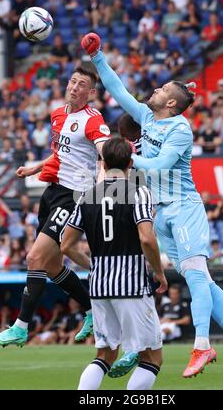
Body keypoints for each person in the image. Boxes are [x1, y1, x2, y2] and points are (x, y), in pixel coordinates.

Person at [81, 32, 223, 378]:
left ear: (172, 104)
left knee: (195, 279)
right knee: (203, 282)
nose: (155, 91)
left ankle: (203, 346)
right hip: (161, 213)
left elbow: (161, 165)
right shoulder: (148, 118)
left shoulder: (180, 129)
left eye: (161, 90)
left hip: (183, 207)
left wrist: (129, 156)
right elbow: (119, 91)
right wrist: (98, 57)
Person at [0, 66, 111, 347]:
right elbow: (60, 153)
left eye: (82, 84)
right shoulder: (58, 114)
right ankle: (93, 306)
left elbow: (104, 152)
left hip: (74, 196)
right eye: (73, 81)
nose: (75, 87)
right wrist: (34, 169)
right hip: (52, 193)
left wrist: (104, 183)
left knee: (35, 258)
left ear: (91, 92)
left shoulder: (94, 120)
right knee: (54, 266)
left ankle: (21, 327)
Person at [61, 137, 167, 390]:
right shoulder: (138, 192)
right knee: (152, 357)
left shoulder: (86, 196)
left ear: (103, 163)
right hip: (131, 284)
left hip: (98, 286)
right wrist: (160, 273)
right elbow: (147, 239)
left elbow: (66, 246)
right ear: (130, 163)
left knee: (105, 355)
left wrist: (93, 265)